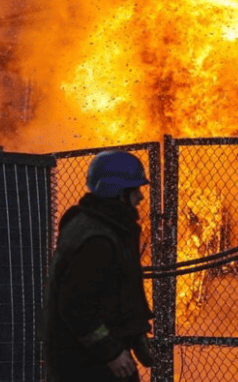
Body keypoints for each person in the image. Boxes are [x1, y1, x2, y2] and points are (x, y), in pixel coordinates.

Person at [43, 150, 155, 381]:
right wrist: (110, 352)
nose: (140, 197)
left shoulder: (103, 227)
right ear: (118, 192)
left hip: (90, 356)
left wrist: (135, 335)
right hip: (84, 364)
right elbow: (77, 307)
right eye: (135, 190)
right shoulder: (97, 240)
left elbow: (119, 294)